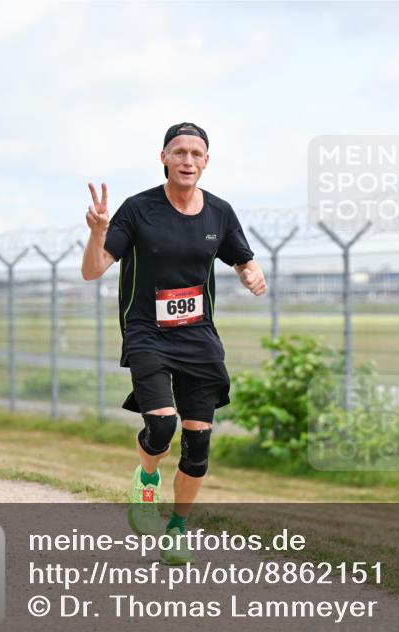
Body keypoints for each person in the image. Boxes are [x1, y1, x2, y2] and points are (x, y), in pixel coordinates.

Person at [80, 122, 266, 565]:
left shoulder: (219, 213)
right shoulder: (139, 209)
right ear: (163, 157)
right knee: (162, 426)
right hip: (147, 332)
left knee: (198, 441)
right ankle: (147, 479)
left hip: (199, 338)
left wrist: (251, 273)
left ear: (206, 161)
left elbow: (243, 258)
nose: (187, 160)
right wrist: (97, 231)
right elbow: (93, 270)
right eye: (179, 152)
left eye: (196, 153)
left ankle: (178, 528)